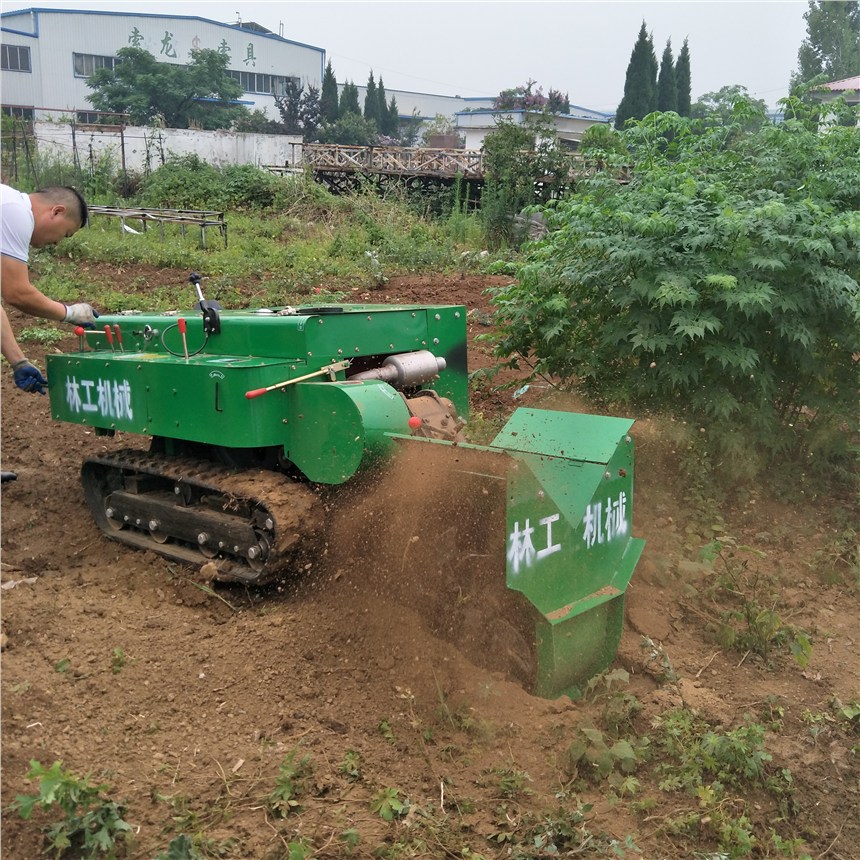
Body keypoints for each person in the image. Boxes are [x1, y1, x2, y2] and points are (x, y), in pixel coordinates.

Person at [1, 183, 99, 394]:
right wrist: (70, 313)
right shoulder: (15, 212)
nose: (57, 243)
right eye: (65, 234)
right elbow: (17, 293)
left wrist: (18, 362)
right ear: (57, 211)